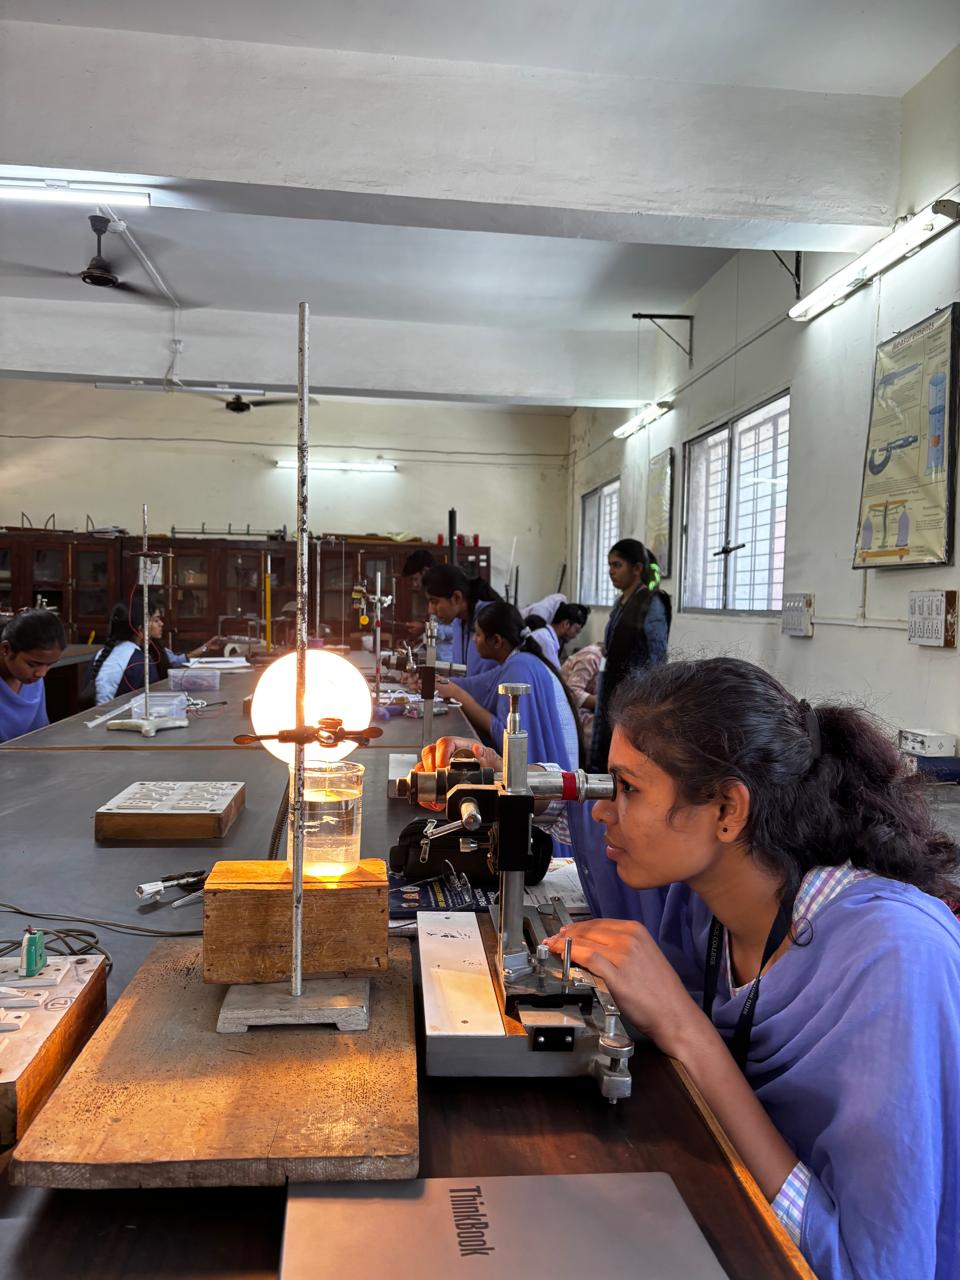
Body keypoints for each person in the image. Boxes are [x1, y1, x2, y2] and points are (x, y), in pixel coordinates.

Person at [543, 657, 960, 1280]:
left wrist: (685, 1029)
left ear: (728, 810)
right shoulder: (702, 904)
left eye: (627, 790)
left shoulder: (893, 958)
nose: (603, 812)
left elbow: (872, 1268)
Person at [436, 600, 580, 769]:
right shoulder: (516, 661)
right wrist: (437, 682)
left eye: (478, 634)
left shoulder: (519, 667)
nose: (474, 640)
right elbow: (477, 685)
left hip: (554, 773)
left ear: (497, 640)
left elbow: (506, 735)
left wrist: (456, 694)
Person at [589, 538, 670, 771]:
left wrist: (647, 700)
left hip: (634, 693)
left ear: (637, 569)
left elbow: (657, 657)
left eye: (617, 565)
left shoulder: (652, 603)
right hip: (611, 686)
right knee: (602, 754)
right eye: (610, 565)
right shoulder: (620, 602)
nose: (611, 572)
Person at [90, 599, 220, 705]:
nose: (161, 624)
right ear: (140, 630)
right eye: (156, 620)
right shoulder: (142, 661)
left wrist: (205, 648)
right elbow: (154, 703)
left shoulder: (101, 654)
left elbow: (174, 660)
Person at [421, 564, 502, 680]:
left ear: (456, 597)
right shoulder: (458, 622)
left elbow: (490, 681)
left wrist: (446, 685)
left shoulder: (490, 619)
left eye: (434, 601)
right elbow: (462, 674)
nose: (430, 610)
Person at [0, 608, 67, 742]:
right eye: (32, 664)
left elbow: (40, 734)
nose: (41, 673)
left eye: (49, 665)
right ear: (6, 649)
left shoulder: (31, 679)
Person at [399, 549, 453, 662]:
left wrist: (425, 628)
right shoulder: (432, 594)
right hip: (435, 661)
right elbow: (436, 625)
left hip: (449, 663)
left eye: (415, 579)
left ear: (425, 571)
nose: (414, 584)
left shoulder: (448, 594)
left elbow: (456, 631)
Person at [561, 641, 603, 742]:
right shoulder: (592, 656)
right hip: (568, 713)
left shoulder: (603, 659)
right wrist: (605, 702)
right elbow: (573, 692)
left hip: (580, 712)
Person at [528, 603, 590, 668]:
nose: (575, 636)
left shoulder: (546, 636)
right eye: (576, 630)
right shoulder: (546, 641)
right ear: (566, 624)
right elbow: (556, 674)